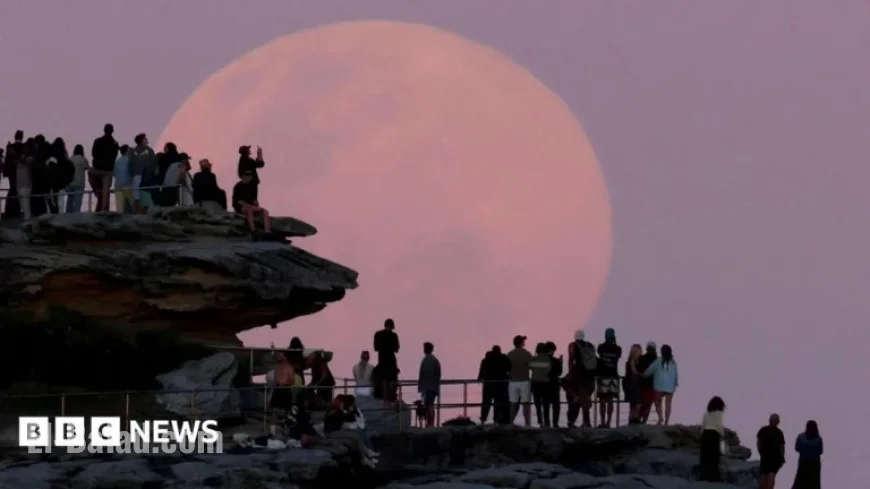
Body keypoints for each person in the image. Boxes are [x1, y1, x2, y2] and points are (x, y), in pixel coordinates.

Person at [565, 329, 597, 428]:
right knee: (585, 398)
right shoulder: (590, 345)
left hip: (578, 376)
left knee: (578, 398)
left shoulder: (572, 345)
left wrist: (570, 373)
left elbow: (571, 360)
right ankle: (584, 421)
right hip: (590, 376)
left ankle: (583, 422)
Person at [641, 344, 678, 425]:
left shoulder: (658, 361)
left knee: (657, 401)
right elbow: (676, 374)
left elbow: (650, 370)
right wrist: (676, 383)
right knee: (668, 404)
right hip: (670, 386)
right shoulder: (673, 362)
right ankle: (667, 421)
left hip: (659, 385)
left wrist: (643, 375)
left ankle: (660, 417)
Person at [477, 345, 511, 425]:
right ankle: (496, 420)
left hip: (488, 384)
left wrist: (480, 378)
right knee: (498, 403)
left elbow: (482, 371)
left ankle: (483, 420)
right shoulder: (503, 359)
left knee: (486, 402)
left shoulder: (486, 359)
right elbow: (509, 369)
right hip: (500, 384)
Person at [596, 328, 622, 427]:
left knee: (602, 400)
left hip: (603, 376)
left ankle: (602, 422)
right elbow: (618, 356)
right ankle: (608, 422)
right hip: (613, 376)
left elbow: (599, 354)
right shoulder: (618, 349)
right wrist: (615, 342)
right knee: (610, 400)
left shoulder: (601, 347)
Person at [90, 123, 118, 211]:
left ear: (104, 130)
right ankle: (104, 210)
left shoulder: (97, 141)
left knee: (90, 173)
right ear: (112, 131)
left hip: (97, 168)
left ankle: (96, 191)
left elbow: (93, 153)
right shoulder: (115, 143)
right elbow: (114, 156)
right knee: (106, 191)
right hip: (108, 170)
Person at [506, 335, 533, 426]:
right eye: (523, 341)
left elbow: (507, 369)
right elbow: (531, 366)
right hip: (524, 381)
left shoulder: (509, 354)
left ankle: (510, 423)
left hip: (512, 381)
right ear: (521, 343)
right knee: (526, 404)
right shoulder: (526, 354)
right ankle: (527, 424)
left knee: (513, 404)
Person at [699, 396, 726, 482]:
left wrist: (701, 435)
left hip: (705, 434)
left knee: (705, 456)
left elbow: (703, 426)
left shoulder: (706, 413)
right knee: (714, 457)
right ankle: (713, 476)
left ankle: (704, 475)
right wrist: (722, 435)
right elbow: (719, 425)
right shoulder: (719, 413)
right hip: (714, 435)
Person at [373, 318, 400, 402]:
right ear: (392, 326)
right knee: (391, 385)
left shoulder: (378, 334)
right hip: (391, 364)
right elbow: (396, 349)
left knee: (382, 384)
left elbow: (376, 348)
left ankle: (384, 402)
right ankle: (390, 402)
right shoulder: (394, 335)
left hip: (381, 363)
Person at [129, 133, 158, 212]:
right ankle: (136, 214)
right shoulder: (135, 151)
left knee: (144, 198)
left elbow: (153, 164)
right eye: (145, 139)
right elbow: (131, 164)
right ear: (141, 141)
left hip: (146, 178)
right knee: (137, 198)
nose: (147, 141)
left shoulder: (149, 150)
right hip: (137, 177)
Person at [757, 413, 786, 489]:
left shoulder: (763, 430)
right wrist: (782, 458)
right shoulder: (779, 433)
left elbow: (758, 443)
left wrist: (760, 452)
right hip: (773, 459)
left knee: (764, 479)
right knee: (770, 479)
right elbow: (782, 447)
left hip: (766, 458)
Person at [791, 420, 822, 489]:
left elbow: (797, 448)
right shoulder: (818, 439)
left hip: (803, 462)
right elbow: (820, 451)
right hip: (815, 464)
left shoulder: (801, 437)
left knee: (800, 481)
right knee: (814, 483)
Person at [417, 342, 441, 427]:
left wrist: (420, 387)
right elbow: (438, 374)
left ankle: (430, 423)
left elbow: (421, 374)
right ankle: (431, 423)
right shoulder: (435, 360)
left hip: (426, 387)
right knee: (430, 405)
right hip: (433, 386)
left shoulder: (425, 360)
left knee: (429, 406)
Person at [529, 343, 552, 427]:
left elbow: (530, 367)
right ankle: (547, 421)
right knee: (546, 404)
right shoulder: (548, 359)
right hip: (546, 383)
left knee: (537, 404)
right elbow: (549, 370)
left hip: (535, 383)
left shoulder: (533, 359)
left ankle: (540, 422)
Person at [3, 130, 24, 218]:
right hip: (20, 172)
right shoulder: (23, 147)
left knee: (12, 189)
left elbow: (7, 162)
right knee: (17, 190)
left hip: (11, 173)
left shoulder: (10, 147)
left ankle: (9, 209)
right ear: (22, 137)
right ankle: (16, 210)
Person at [637, 342, 658, 423]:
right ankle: (643, 420)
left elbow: (638, 370)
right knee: (648, 404)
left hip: (642, 383)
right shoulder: (657, 360)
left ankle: (639, 419)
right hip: (652, 384)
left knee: (642, 403)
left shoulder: (641, 358)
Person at [622, 344, 643, 424]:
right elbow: (634, 372)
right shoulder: (632, 361)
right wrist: (641, 373)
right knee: (636, 402)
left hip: (632, 383)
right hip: (633, 384)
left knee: (634, 403)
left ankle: (633, 418)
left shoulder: (634, 361)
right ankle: (634, 418)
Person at [66, 145, 89, 213]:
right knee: (78, 201)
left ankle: (68, 214)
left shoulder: (70, 159)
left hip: (70, 182)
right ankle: (76, 215)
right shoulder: (83, 159)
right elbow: (88, 167)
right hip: (80, 183)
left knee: (70, 199)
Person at [545, 342, 563, 427]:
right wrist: (561, 363)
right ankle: (555, 423)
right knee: (556, 406)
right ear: (551, 350)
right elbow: (559, 373)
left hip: (545, 385)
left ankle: (546, 423)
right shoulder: (555, 361)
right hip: (554, 385)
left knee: (546, 405)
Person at [113, 145, 133, 213]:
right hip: (128, 185)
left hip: (118, 186)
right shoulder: (130, 160)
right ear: (127, 151)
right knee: (133, 206)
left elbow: (114, 174)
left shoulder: (116, 162)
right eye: (129, 149)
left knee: (119, 208)